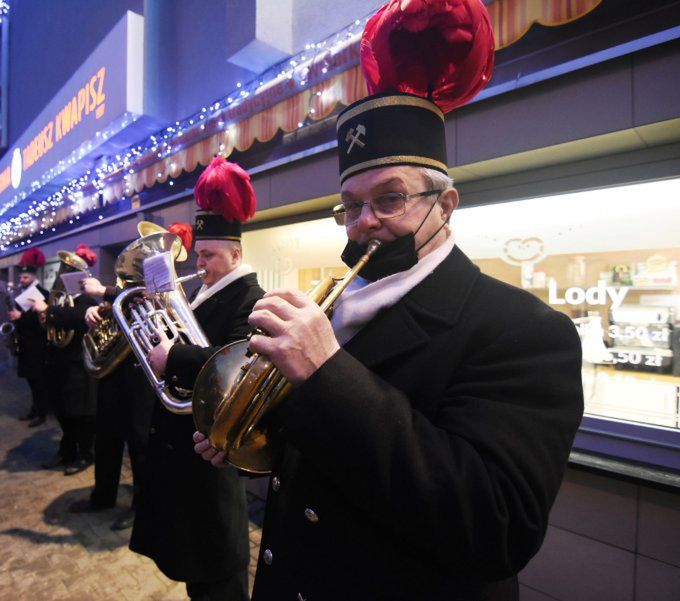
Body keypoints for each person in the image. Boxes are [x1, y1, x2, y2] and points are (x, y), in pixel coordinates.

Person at [195, 2, 584, 599]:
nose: (364, 223)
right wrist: (245, 432)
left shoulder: (525, 330)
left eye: (390, 199)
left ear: (445, 204)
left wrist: (326, 371)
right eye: (350, 206)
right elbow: (330, 454)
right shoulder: (343, 308)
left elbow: (496, 528)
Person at [131, 158, 264, 601]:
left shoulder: (251, 298)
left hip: (210, 453)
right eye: (199, 255)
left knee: (218, 571)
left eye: (208, 256)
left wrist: (174, 356)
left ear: (236, 254)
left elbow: (237, 363)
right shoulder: (202, 291)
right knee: (195, 568)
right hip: (182, 453)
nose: (199, 264)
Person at [69, 277, 153, 532]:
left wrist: (104, 290)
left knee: (139, 447)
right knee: (106, 440)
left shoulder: (147, 285)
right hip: (111, 377)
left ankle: (142, 508)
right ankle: (103, 497)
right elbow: (115, 311)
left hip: (140, 380)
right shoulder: (121, 290)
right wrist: (96, 311)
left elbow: (146, 298)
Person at [32, 244, 99, 475]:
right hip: (59, 364)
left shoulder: (87, 301)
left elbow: (80, 319)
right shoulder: (61, 300)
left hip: (78, 366)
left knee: (80, 414)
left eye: (67, 272)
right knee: (62, 411)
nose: (62, 276)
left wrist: (48, 312)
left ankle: (85, 454)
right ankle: (67, 450)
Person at [7, 247, 49, 428]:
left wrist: (20, 316)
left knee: (38, 380)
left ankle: (41, 413)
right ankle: (34, 408)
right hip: (26, 343)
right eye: (21, 277)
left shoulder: (42, 293)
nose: (21, 280)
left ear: (33, 277)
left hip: (37, 344)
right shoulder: (23, 294)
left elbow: (42, 319)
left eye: (25, 278)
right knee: (31, 381)